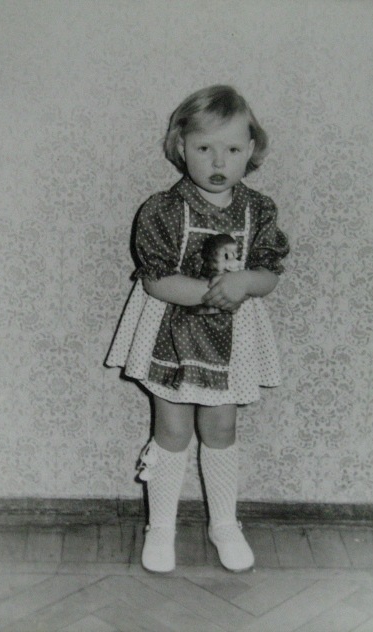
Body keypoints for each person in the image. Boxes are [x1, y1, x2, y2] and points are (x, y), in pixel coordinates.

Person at [105, 85, 289, 573]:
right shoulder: (162, 209)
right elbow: (156, 280)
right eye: (204, 147)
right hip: (171, 332)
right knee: (171, 428)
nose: (218, 161)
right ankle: (161, 526)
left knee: (222, 427)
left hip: (232, 339)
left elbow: (270, 273)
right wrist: (212, 293)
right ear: (181, 146)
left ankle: (223, 523)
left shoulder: (259, 210)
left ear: (251, 150)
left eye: (232, 148)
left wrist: (245, 281)